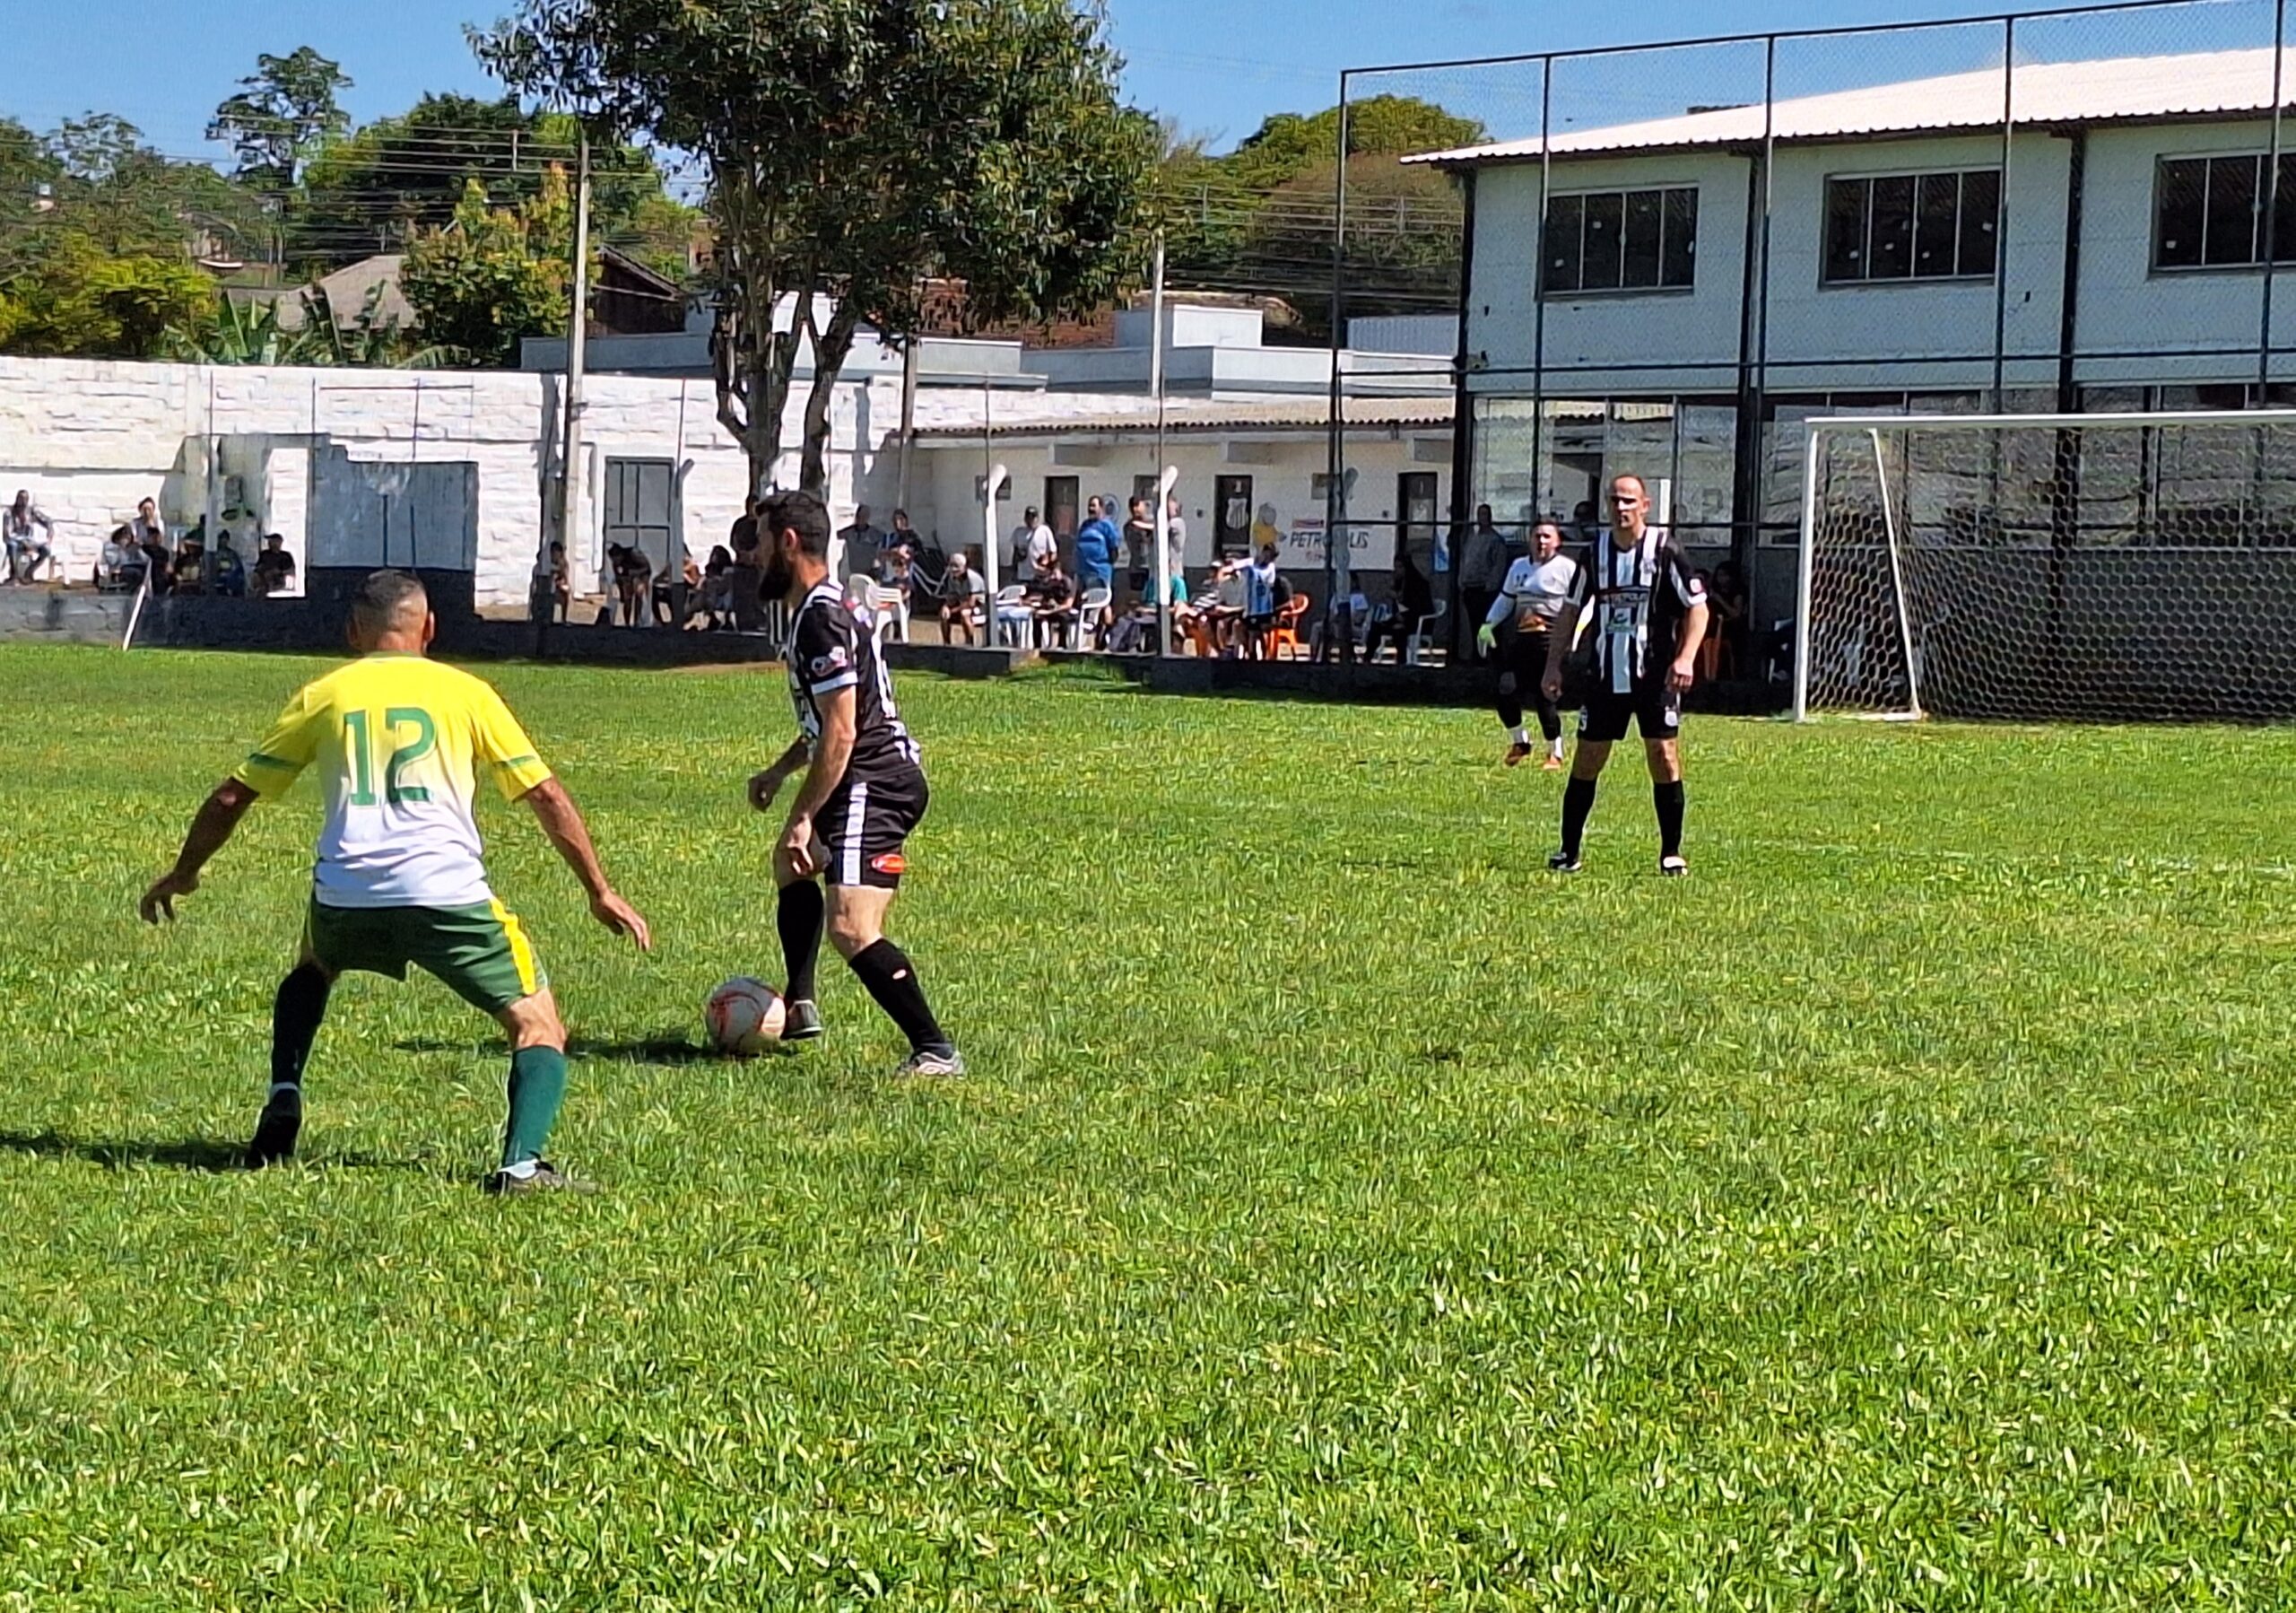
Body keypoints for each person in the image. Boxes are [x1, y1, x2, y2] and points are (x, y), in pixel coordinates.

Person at [137, 569, 652, 1190]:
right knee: (538, 1024)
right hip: (447, 895)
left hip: (347, 894)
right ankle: (520, 1164)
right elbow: (544, 794)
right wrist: (598, 889)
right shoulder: (469, 693)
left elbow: (230, 797)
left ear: (353, 631)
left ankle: (285, 1091)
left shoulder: (324, 694)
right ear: (429, 628)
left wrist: (184, 873)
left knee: (311, 967)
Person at [744, 490, 961, 1077]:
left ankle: (935, 1051)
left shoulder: (821, 616)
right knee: (791, 866)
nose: (753, 555)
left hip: (873, 778)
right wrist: (780, 770)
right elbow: (829, 718)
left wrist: (801, 816)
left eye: (761, 542)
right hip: (862, 773)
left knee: (850, 926)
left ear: (789, 543)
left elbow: (842, 733)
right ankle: (801, 1005)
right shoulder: (823, 607)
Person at [1541, 474, 1709, 876]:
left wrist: (1685, 658)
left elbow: (1698, 607)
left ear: (1645, 506)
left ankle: (1671, 852)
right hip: (1604, 676)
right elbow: (1570, 610)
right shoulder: (1594, 553)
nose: (1621, 508)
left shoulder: (1665, 551)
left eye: (1629, 501)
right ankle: (1569, 851)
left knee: (1664, 756)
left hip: (1655, 677)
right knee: (1588, 759)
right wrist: (1553, 663)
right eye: (1615, 500)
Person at [1476, 520, 1577, 771]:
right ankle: (1520, 742)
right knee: (1505, 690)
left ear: (1558, 541)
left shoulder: (1567, 569)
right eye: (1537, 536)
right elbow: (1506, 599)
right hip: (1521, 642)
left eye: (1546, 537)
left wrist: (1575, 636)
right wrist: (1488, 624)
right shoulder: (1518, 567)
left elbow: (1582, 606)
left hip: (1551, 643)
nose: (1541, 541)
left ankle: (1556, 752)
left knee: (1544, 697)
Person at [1460, 504, 1511, 660]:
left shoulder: (1495, 540)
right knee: (1474, 624)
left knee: (1490, 624)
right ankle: (1477, 654)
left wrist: (1491, 586)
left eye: (1485, 514)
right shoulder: (1472, 539)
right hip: (1470, 587)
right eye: (1479, 514)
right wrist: (1461, 580)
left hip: (1485, 589)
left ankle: (1495, 655)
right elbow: (1465, 560)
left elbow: (1498, 565)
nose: (1482, 518)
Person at [1073, 496, 1123, 644]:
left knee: (1099, 601)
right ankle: (1104, 638)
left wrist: (1106, 565)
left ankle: (1099, 629)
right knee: (1101, 604)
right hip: (1084, 572)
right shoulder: (1085, 525)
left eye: (1094, 505)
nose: (1091, 508)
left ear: (1101, 507)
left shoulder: (1107, 526)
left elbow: (1114, 549)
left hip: (1100, 572)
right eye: (1089, 505)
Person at [1240, 543, 1283, 659]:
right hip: (1252, 608)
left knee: (1264, 634)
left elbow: (1274, 588)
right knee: (1253, 634)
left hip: (1266, 608)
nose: (1267, 557)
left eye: (1271, 555)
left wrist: (1275, 612)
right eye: (1266, 553)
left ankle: (1266, 658)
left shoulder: (1272, 569)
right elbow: (1236, 567)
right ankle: (1252, 657)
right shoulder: (1250, 565)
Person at [5, 490, 55, 584]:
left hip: (30, 541)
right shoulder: (9, 513)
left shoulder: (31, 511)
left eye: (25, 499)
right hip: (16, 541)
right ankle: (14, 575)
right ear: (17, 499)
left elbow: (47, 521)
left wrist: (49, 535)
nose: (23, 502)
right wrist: (22, 541)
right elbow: (7, 534)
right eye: (21, 499)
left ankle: (30, 570)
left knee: (46, 549)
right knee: (12, 546)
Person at [938, 549, 987, 645]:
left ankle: (969, 643)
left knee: (965, 614)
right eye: (951, 565)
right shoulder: (952, 578)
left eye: (957, 566)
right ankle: (946, 643)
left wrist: (953, 610)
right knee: (943, 614)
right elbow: (951, 596)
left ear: (964, 567)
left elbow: (971, 602)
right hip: (961, 604)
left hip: (979, 607)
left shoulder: (973, 578)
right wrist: (946, 607)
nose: (954, 569)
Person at [1121, 496, 1156, 607]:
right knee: (1136, 597)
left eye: (1137, 505)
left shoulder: (1153, 522)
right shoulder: (1129, 526)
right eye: (1133, 506)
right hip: (1137, 567)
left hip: (1153, 567)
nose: (1135, 509)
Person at [837, 504, 883, 583]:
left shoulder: (875, 534)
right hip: (853, 571)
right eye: (859, 516)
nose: (861, 519)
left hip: (870, 572)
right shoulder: (849, 532)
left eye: (864, 516)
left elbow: (883, 545)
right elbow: (838, 535)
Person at [1011, 506, 1056, 582]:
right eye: (1029, 518)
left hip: (1041, 574)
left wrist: (1050, 567)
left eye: (1033, 517)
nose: (1031, 520)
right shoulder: (1019, 532)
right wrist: (1014, 570)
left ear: (1037, 518)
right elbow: (1015, 553)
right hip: (1023, 575)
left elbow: (1053, 552)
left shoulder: (1045, 531)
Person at [100, 525, 147, 592]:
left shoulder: (133, 547)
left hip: (136, 568)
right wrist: (122, 549)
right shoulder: (111, 548)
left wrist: (139, 550)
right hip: (119, 571)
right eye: (124, 537)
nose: (126, 539)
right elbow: (113, 561)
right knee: (135, 573)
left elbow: (145, 560)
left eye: (128, 537)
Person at [252, 534, 297, 598]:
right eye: (269, 541)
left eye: (273, 541)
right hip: (264, 580)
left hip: (278, 581)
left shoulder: (285, 556)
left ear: (279, 542)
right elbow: (258, 567)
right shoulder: (265, 554)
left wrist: (278, 572)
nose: (270, 543)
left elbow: (291, 571)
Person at [212, 533, 248, 597]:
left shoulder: (232, 553)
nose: (224, 541)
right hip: (217, 575)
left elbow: (237, 567)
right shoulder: (214, 553)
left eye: (226, 539)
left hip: (231, 575)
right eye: (222, 539)